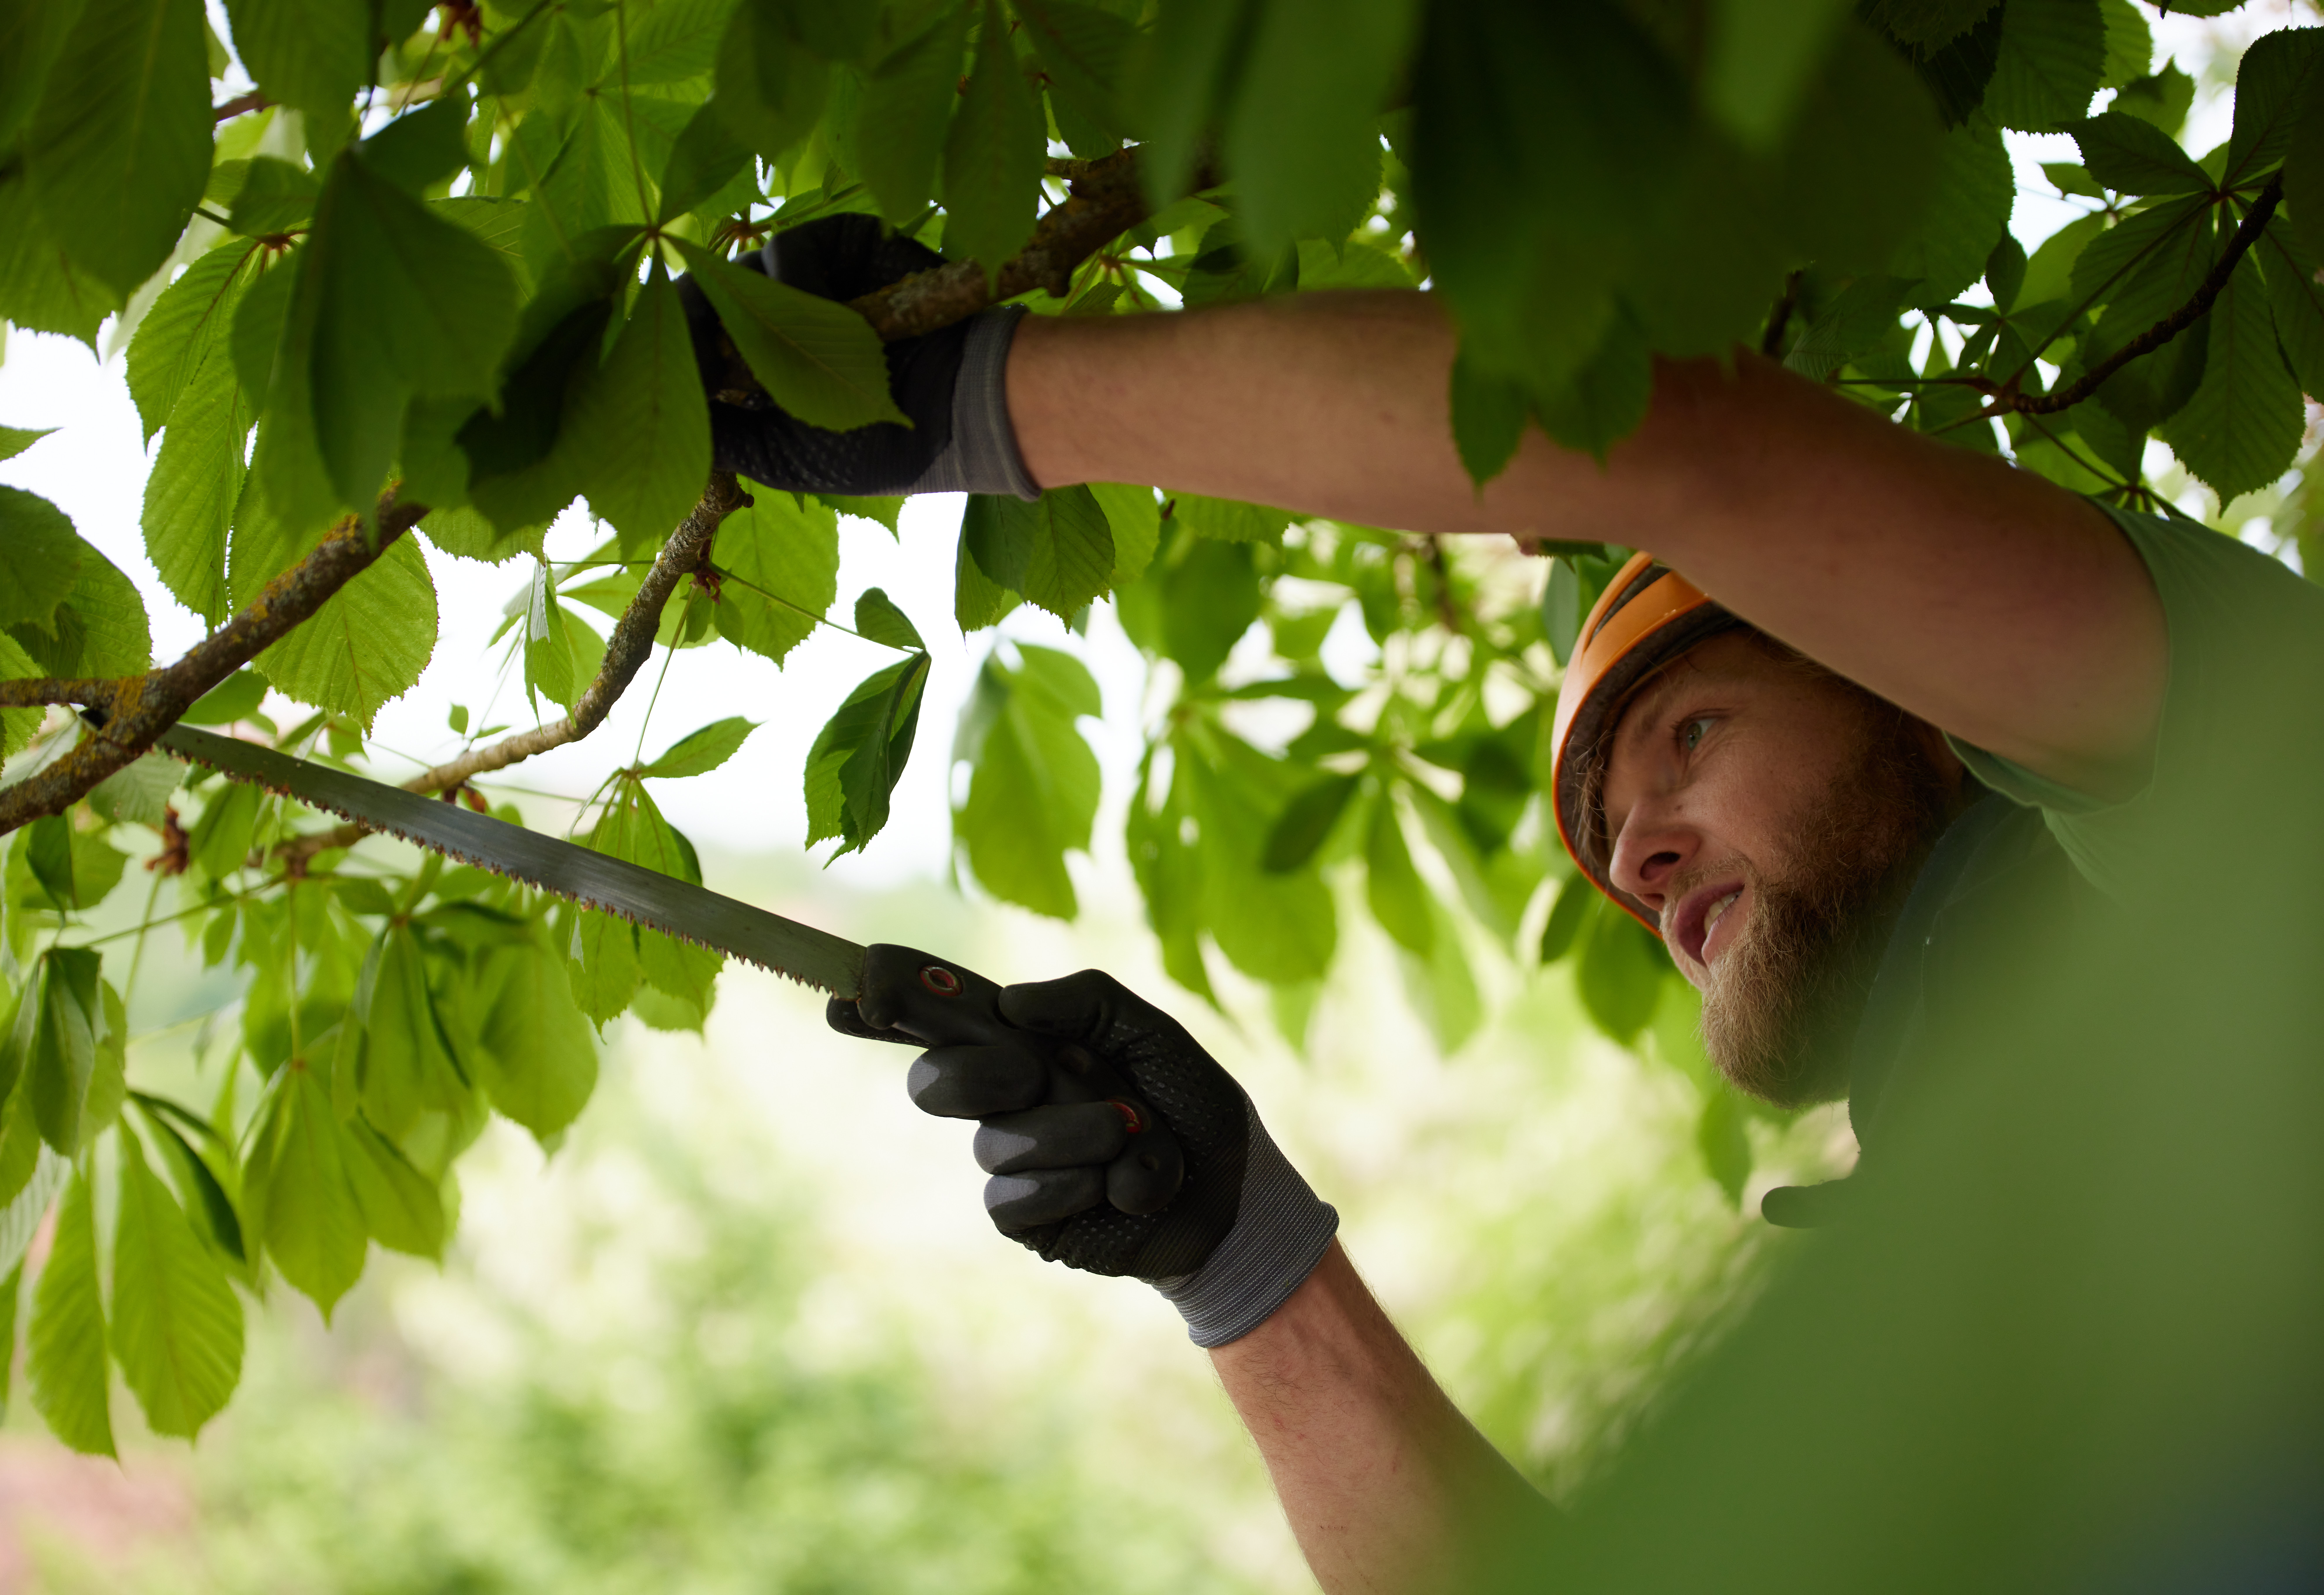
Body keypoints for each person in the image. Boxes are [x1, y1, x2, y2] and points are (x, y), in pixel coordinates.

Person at [687, 217, 2324, 1593]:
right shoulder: (1927, 1342)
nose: (1639, 864)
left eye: (1694, 734)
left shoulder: (2252, 795)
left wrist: (969, 401)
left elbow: (1682, 442)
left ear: (1916, 700)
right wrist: (1242, 1255)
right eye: (1609, 844)